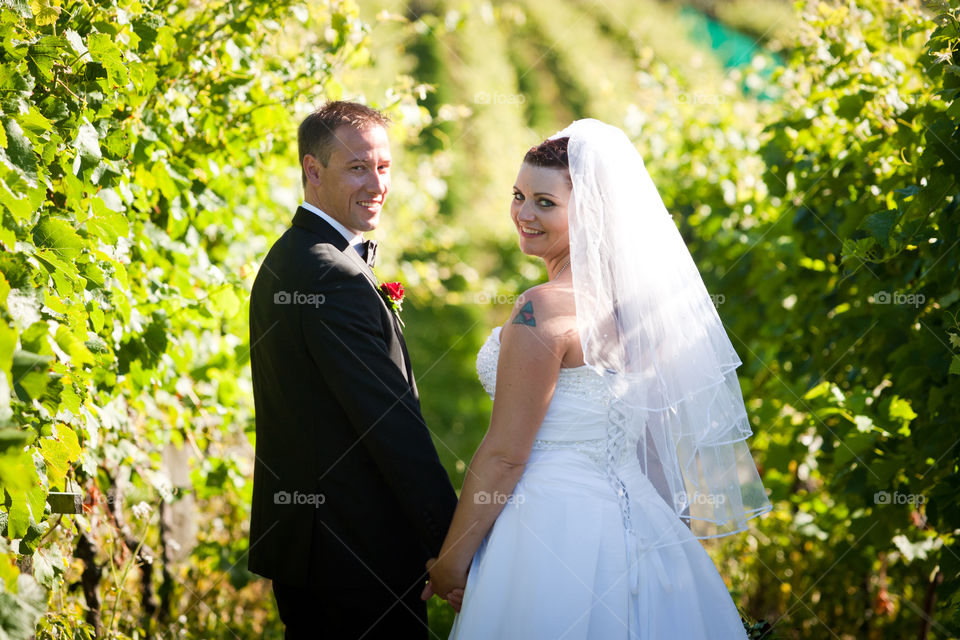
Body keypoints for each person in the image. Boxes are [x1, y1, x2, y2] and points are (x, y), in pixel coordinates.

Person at [423, 119, 772, 639]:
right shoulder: (640, 313)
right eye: (518, 196)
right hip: (640, 520)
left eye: (545, 202)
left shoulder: (540, 310)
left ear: (588, 213)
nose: (523, 214)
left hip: (547, 526)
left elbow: (505, 455)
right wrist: (664, 554)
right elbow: (653, 450)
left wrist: (451, 564)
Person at [247, 100, 459, 639]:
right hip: (355, 555)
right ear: (313, 171)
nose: (377, 184)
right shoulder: (331, 276)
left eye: (384, 167)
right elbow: (391, 426)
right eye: (358, 167)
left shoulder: (294, 255)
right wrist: (453, 544)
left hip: (317, 550)